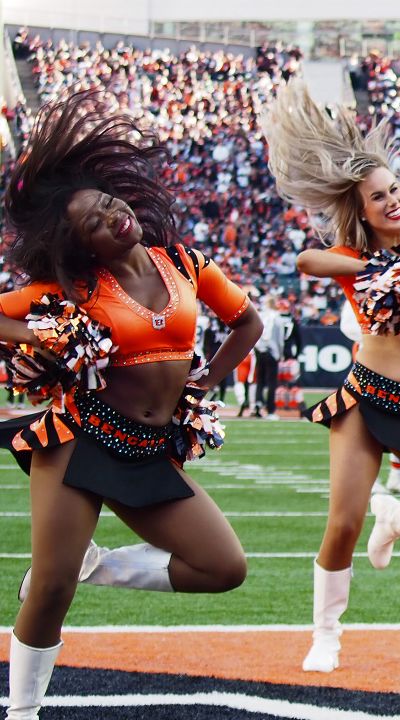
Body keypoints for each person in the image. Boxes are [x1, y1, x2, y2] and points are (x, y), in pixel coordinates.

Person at [0, 90, 262, 719]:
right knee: (51, 585)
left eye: (111, 204)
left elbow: (247, 324)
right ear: (84, 245)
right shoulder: (77, 287)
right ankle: (24, 711)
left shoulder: (187, 265)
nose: (113, 216)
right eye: (95, 221)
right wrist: (41, 334)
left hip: (149, 448)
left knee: (224, 567)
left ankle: (102, 567)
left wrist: (203, 385)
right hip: (77, 439)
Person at [262, 79, 400, 674]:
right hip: (366, 398)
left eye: (394, 191)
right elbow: (308, 261)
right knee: (342, 521)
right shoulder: (356, 258)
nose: (391, 202)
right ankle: (326, 633)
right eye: (377, 197)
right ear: (360, 209)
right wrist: (373, 263)